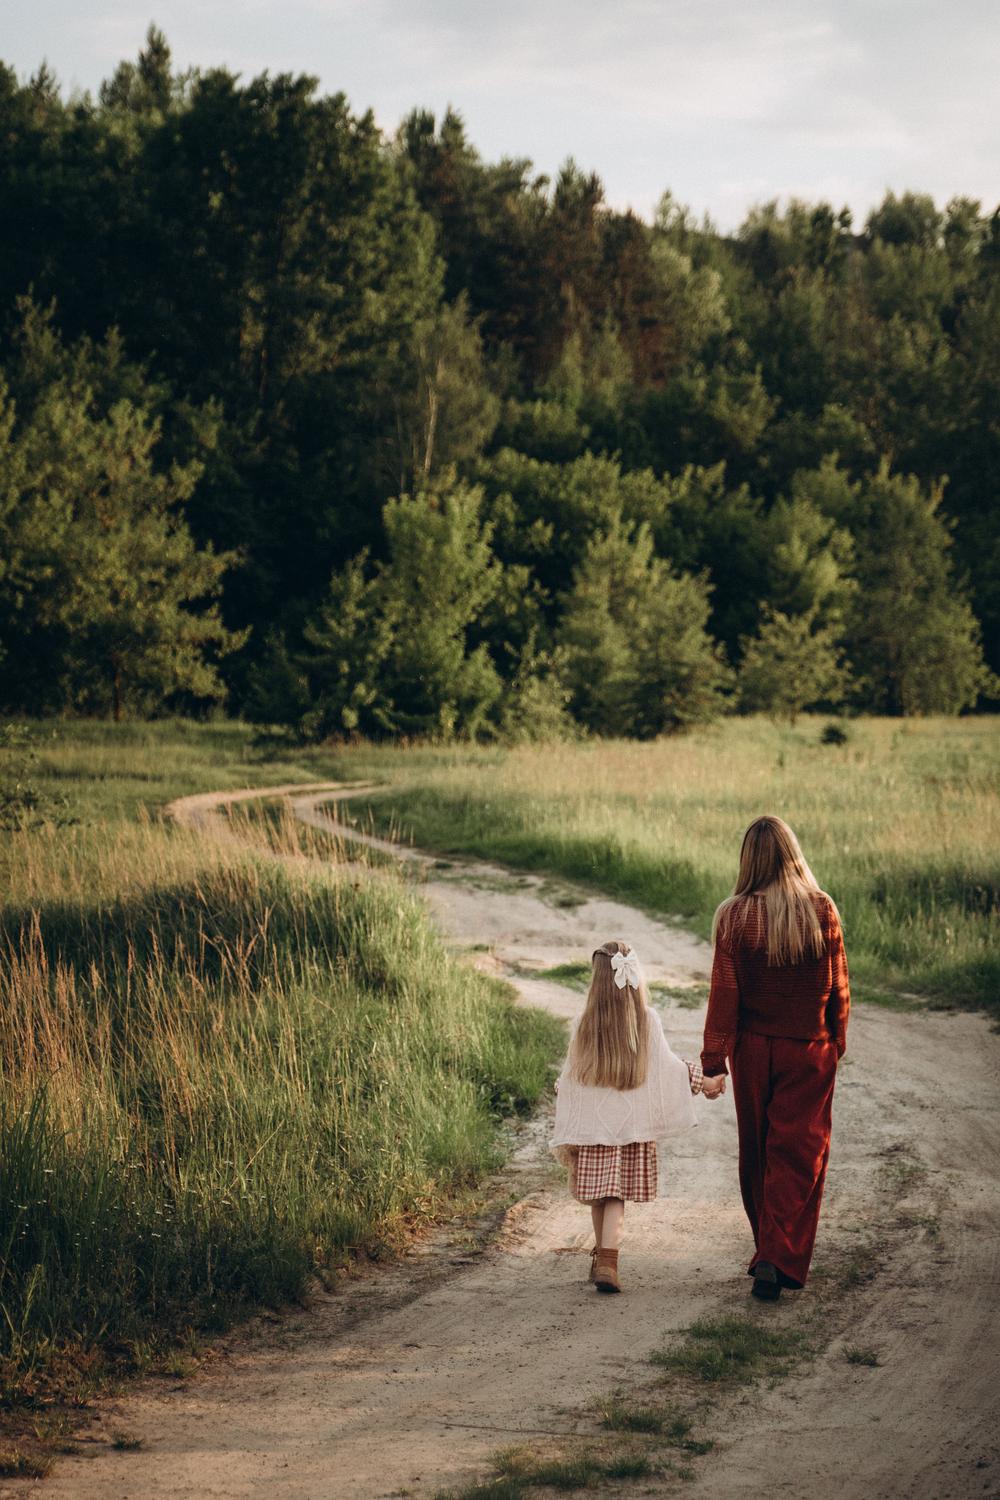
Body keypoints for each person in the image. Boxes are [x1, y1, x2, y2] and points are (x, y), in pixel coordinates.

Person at [701, 814, 850, 1301]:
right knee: (800, 1155)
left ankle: (767, 1249)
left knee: (759, 1152)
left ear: (749, 859)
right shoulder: (821, 909)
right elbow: (837, 989)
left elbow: (724, 995)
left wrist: (714, 1062)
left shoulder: (733, 915)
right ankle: (775, 1255)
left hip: (754, 1050)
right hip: (808, 1047)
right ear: (792, 853)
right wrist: (836, 1042)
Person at [551, 940, 723, 1293]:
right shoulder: (647, 1020)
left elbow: (572, 1075)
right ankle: (608, 1263)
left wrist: (563, 1092)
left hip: (594, 1131)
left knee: (601, 1197)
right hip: (630, 1131)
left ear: (595, 982)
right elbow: (669, 1070)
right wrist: (702, 1082)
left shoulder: (584, 1023)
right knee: (616, 1198)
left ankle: (602, 1256)